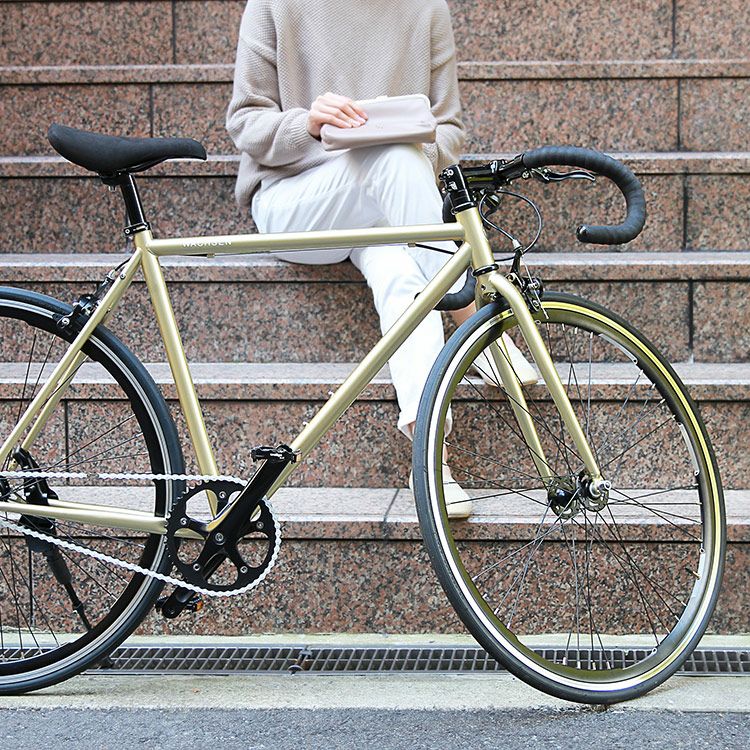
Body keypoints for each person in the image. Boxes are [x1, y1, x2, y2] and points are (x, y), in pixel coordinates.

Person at [226, 0, 536, 518]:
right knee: (392, 160)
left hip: (388, 200)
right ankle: (472, 319)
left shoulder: (425, 8)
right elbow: (245, 121)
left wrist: (400, 138)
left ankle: (430, 456)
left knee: (400, 270)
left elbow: (449, 129)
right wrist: (309, 124)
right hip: (296, 201)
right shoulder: (276, 4)